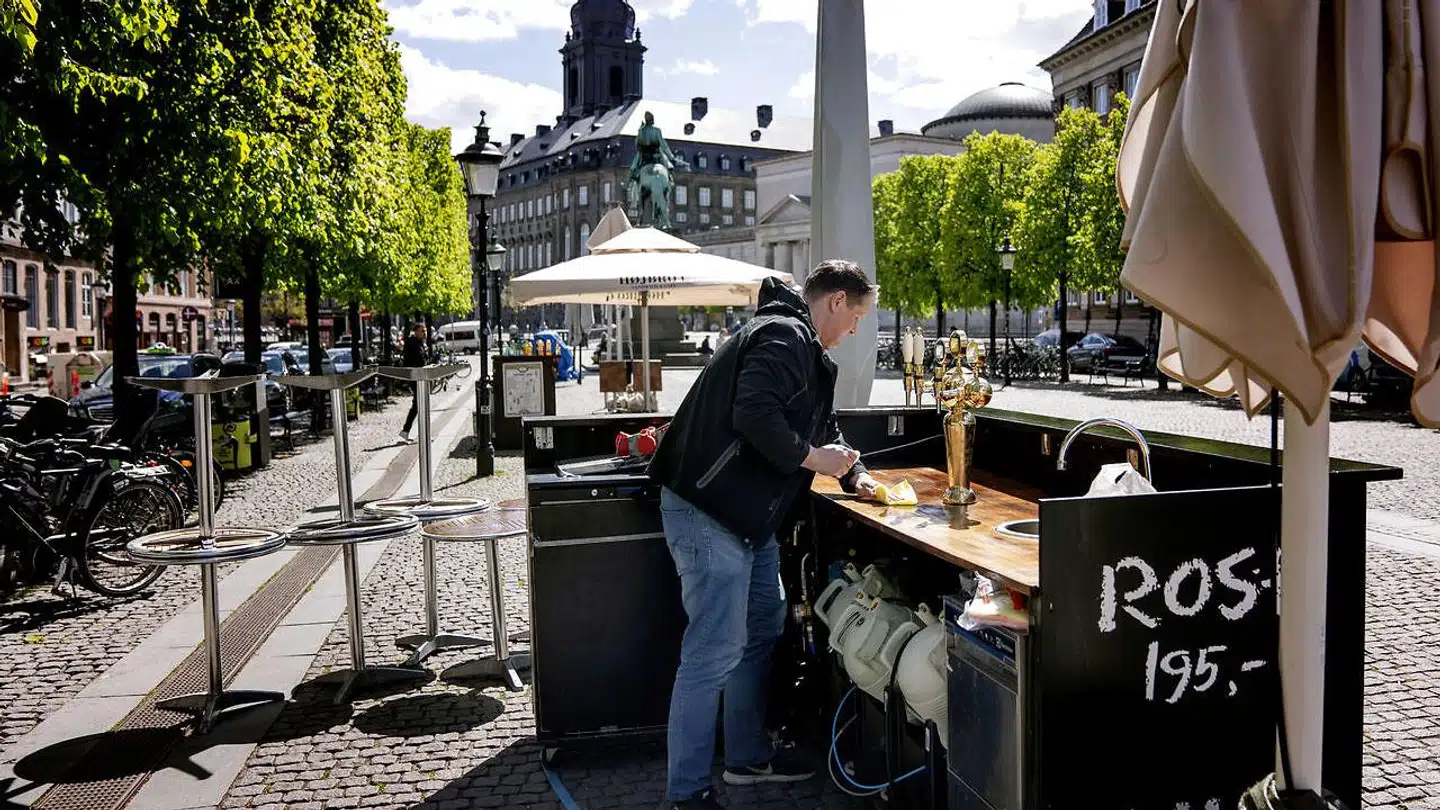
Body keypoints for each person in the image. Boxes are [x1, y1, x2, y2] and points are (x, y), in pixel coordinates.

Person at [647, 259, 882, 810]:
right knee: (713, 650)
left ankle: (747, 757)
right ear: (834, 302)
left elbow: (822, 431)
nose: (855, 329)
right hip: (710, 511)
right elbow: (754, 415)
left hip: (747, 522)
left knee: (759, 627)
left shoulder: (803, 349)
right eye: (856, 316)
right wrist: (813, 458)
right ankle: (686, 793)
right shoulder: (782, 334)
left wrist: (854, 471)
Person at [397, 323, 428, 444]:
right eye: (422, 331)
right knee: (418, 405)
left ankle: (407, 431)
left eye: (425, 331)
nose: (424, 333)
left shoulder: (421, 343)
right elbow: (416, 359)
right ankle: (414, 432)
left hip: (421, 377)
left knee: (419, 405)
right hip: (416, 377)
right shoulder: (412, 343)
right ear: (415, 332)